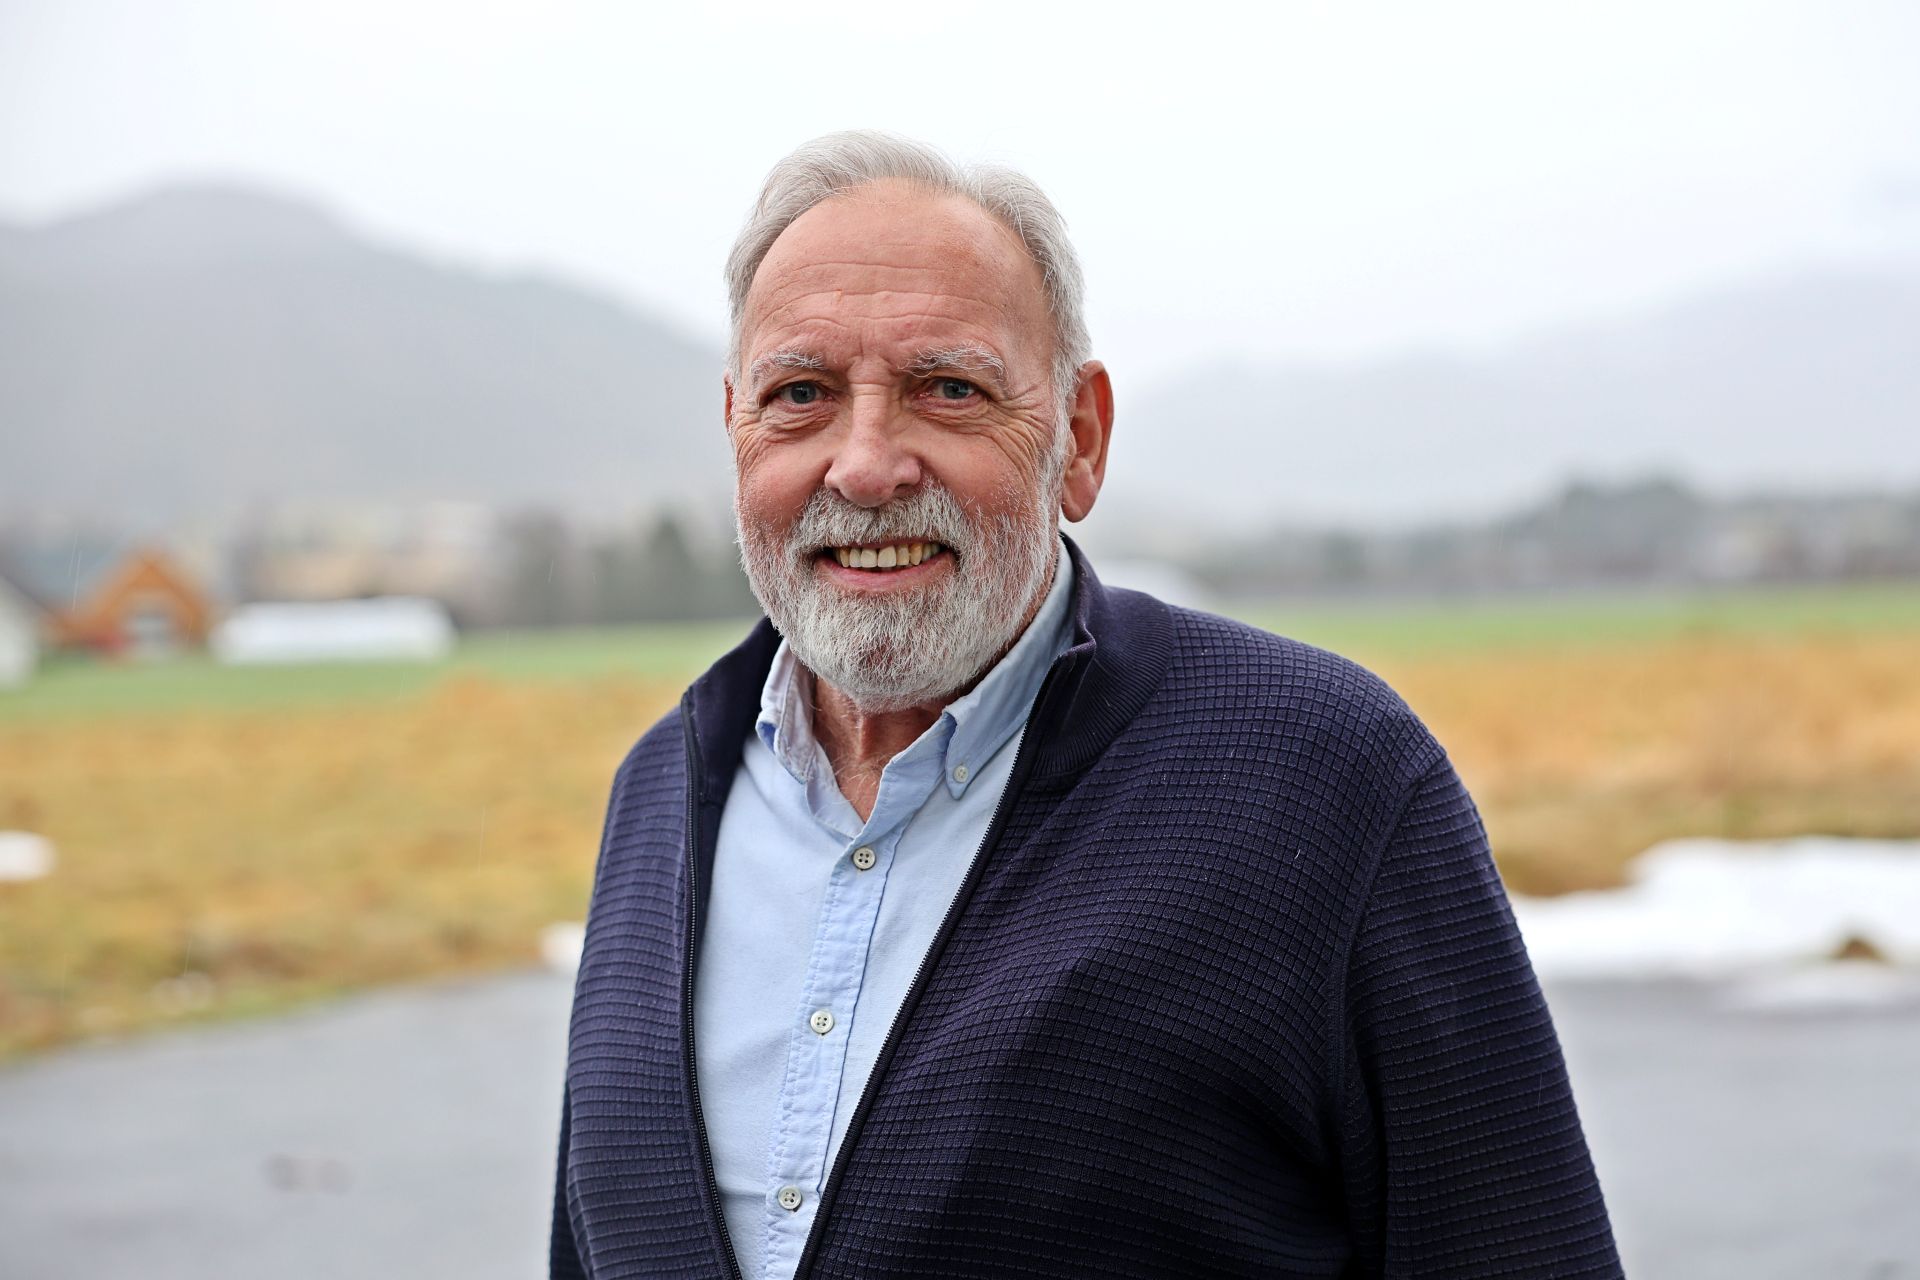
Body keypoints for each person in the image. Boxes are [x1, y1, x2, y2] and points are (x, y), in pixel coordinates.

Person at [550, 131, 1622, 1280]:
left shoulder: (1325, 776)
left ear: (1081, 439)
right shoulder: (665, 789)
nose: (864, 466)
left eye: (948, 389)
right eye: (800, 394)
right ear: (736, 427)